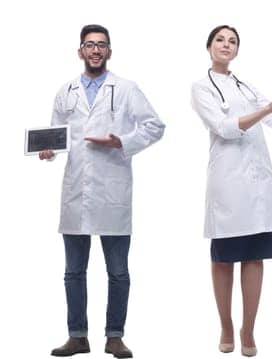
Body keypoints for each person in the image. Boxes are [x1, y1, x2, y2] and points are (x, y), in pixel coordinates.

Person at [190, 24, 272, 358]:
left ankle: (248, 328)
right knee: (223, 260)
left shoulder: (246, 85)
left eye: (232, 41)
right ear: (209, 47)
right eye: (220, 39)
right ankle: (225, 325)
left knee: (254, 258)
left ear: (237, 50)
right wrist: (266, 110)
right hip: (228, 185)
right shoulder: (200, 87)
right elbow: (224, 129)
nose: (226, 44)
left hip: (257, 187)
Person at [40, 24, 166, 359]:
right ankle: (78, 336)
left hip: (113, 192)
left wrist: (121, 141)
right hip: (76, 191)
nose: (95, 50)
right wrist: (49, 151)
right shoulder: (65, 91)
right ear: (79, 51)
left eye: (102, 45)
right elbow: (56, 135)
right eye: (89, 45)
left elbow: (155, 126)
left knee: (119, 272)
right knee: (73, 272)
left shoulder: (125, 89)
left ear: (109, 51)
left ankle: (114, 337)